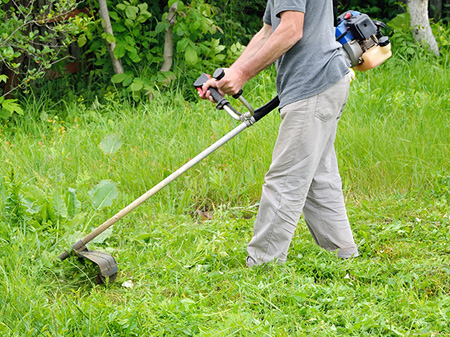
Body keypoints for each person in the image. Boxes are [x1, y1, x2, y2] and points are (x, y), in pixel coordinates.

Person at [199, 0, 359, 267]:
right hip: (323, 82)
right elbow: (268, 32)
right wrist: (228, 74)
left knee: (286, 178)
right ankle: (343, 253)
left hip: (313, 84)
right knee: (318, 175)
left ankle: (263, 263)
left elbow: (291, 30)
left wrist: (242, 74)